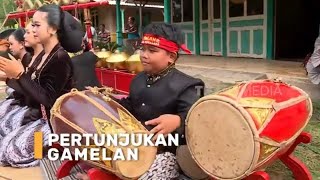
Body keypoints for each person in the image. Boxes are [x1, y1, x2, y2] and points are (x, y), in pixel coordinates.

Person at [76, 23, 205, 180]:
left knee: (150, 172)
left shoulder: (190, 85)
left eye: (152, 51)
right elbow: (130, 105)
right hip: (134, 143)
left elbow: (198, 123)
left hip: (167, 152)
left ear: (171, 57)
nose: (144, 54)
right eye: (142, 49)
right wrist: (104, 100)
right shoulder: (138, 80)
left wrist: (178, 121)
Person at [0, 4, 83, 167]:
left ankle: (50, 151)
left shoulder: (60, 58)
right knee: (3, 137)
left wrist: (19, 75)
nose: (32, 28)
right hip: (35, 116)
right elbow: (31, 91)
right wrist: (10, 78)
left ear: (52, 29)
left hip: (52, 124)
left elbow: (47, 99)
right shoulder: (45, 55)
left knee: (10, 154)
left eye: (37, 25)